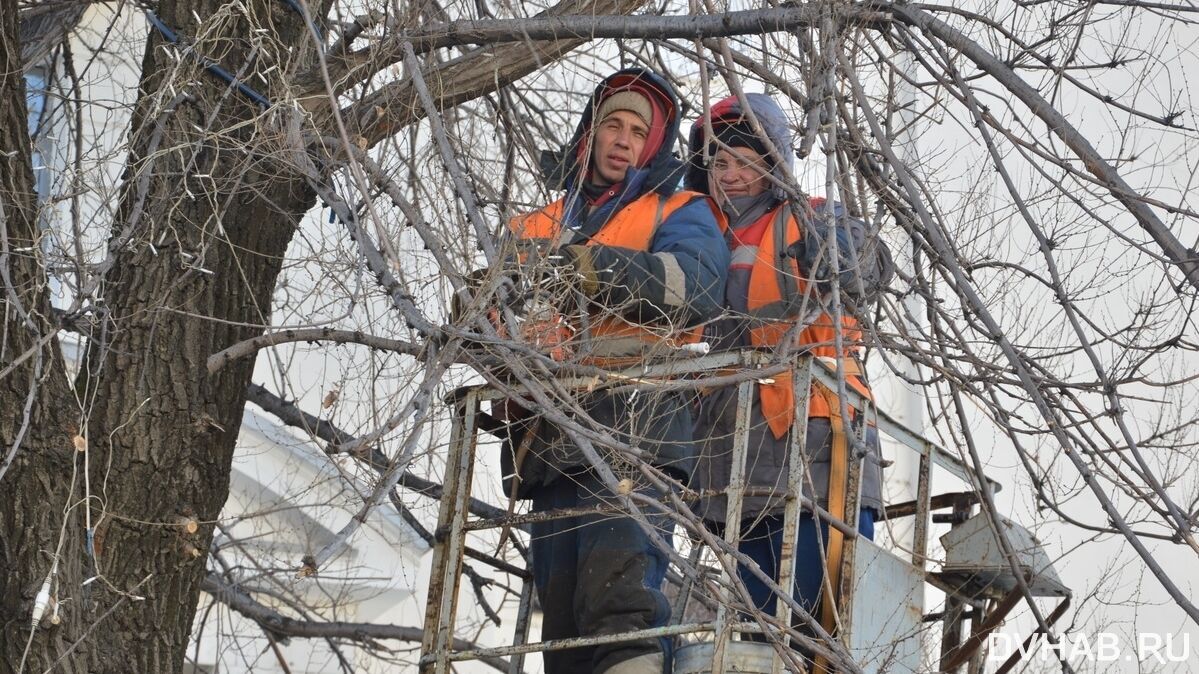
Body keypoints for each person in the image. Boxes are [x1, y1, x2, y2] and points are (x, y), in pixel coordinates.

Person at [499, 69, 729, 674]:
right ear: (590, 134)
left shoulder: (682, 210)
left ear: (654, 147)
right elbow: (487, 315)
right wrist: (509, 335)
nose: (624, 139)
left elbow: (699, 287)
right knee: (566, 632)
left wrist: (590, 269)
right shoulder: (533, 226)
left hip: (636, 432)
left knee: (622, 608)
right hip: (551, 445)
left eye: (638, 132)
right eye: (613, 125)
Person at [687, 93, 892, 659]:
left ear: (774, 163)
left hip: (820, 451)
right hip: (733, 467)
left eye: (747, 162)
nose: (732, 176)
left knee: (811, 638)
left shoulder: (810, 216)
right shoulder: (698, 240)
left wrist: (843, 251)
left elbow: (870, 266)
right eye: (720, 163)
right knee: (756, 645)